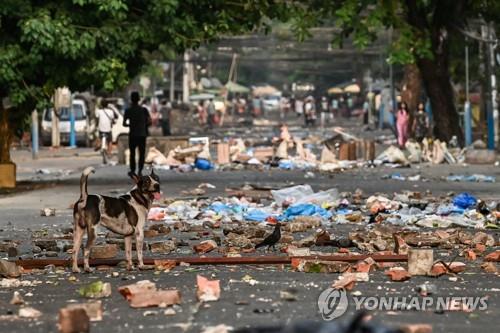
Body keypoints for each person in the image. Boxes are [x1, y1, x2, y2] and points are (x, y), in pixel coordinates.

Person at [123, 92, 151, 176]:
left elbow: (124, 123)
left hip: (133, 134)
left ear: (131, 99)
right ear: (139, 99)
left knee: (132, 153)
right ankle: (140, 170)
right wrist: (144, 125)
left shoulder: (128, 110)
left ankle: (133, 170)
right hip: (142, 134)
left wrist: (131, 125)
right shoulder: (144, 110)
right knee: (141, 153)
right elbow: (149, 121)